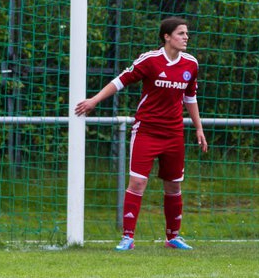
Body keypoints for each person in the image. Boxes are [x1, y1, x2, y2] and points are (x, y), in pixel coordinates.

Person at [75, 16, 208, 251]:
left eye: (186, 33)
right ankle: (128, 237)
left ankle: (173, 237)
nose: (186, 37)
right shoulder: (150, 60)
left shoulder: (191, 64)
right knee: (137, 182)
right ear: (167, 37)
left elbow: (190, 98)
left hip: (174, 134)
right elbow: (121, 81)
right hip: (147, 130)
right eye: (180, 33)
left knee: (174, 186)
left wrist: (198, 127)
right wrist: (94, 100)